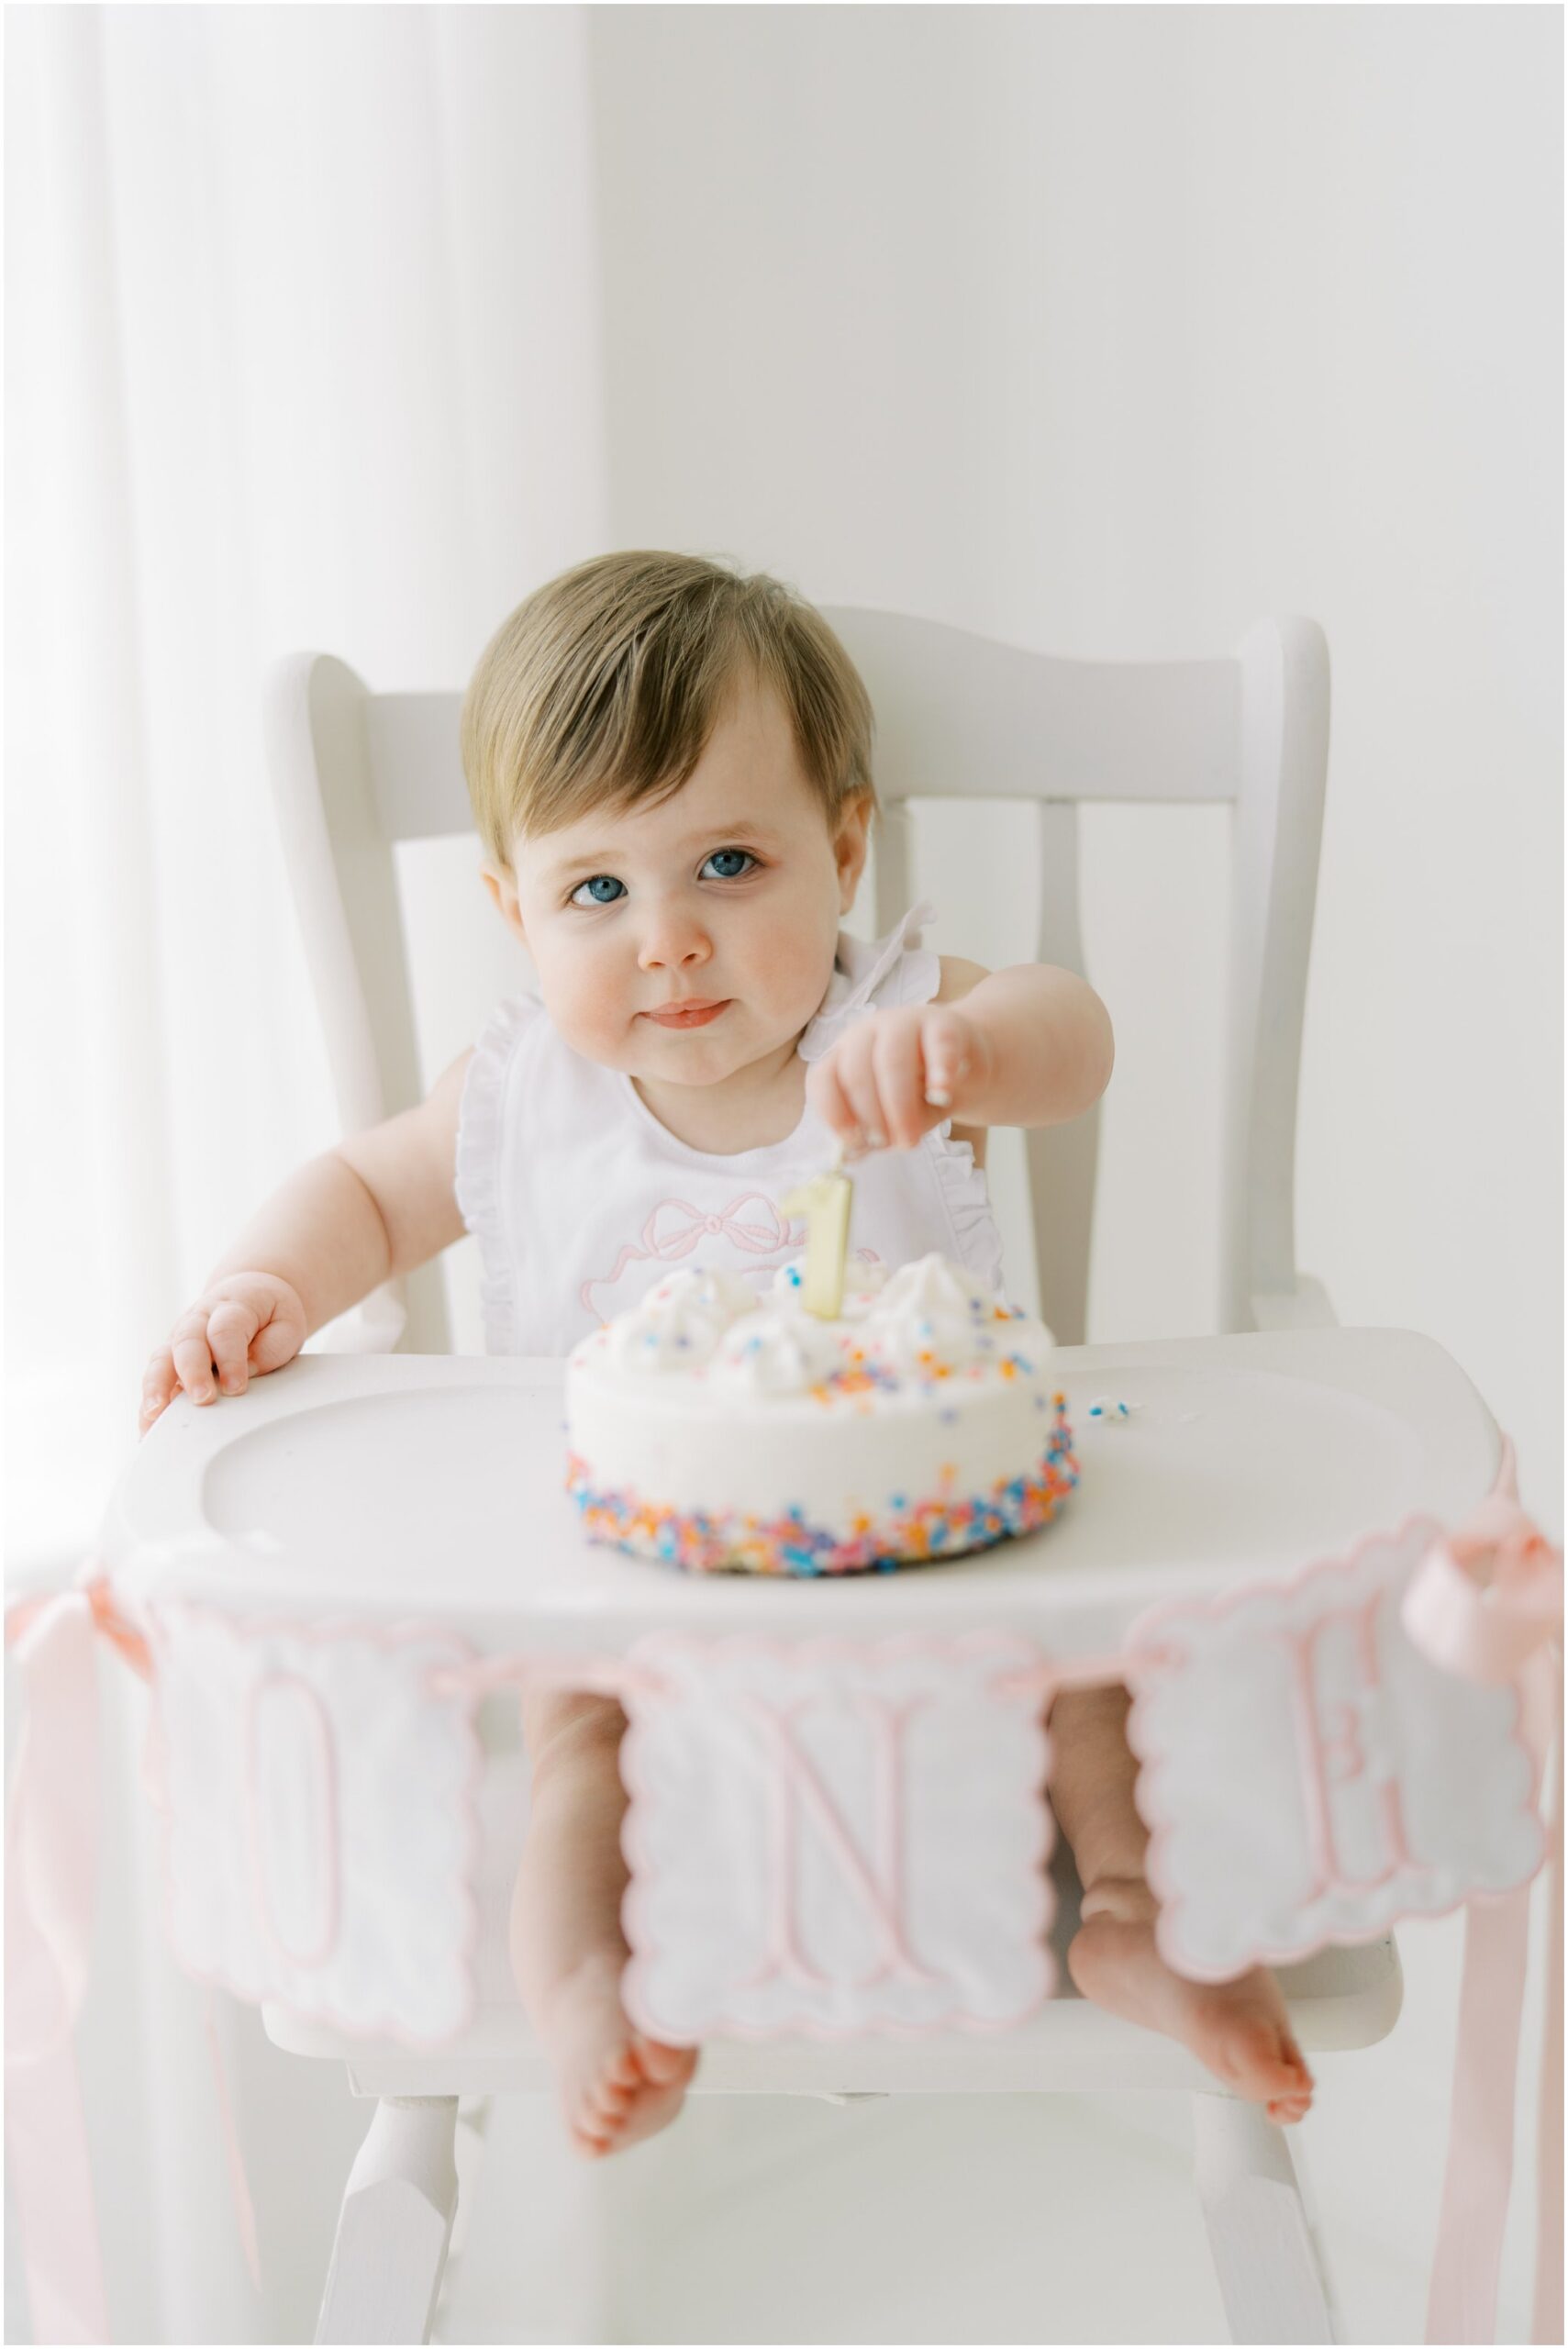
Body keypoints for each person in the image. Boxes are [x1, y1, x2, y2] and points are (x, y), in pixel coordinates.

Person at [140, 551, 1315, 2156]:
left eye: (730, 865)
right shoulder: (522, 1098)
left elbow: (1078, 1034)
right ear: (514, 911)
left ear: (843, 849)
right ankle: (585, 1992)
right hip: (629, 1578)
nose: (669, 942)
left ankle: (1124, 1913)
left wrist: (971, 1048)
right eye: (599, 892)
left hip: (941, 1558)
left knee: (1093, 1693)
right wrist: (258, 1284)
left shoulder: (891, 1026)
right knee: (575, 1747)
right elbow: (360, 1189)